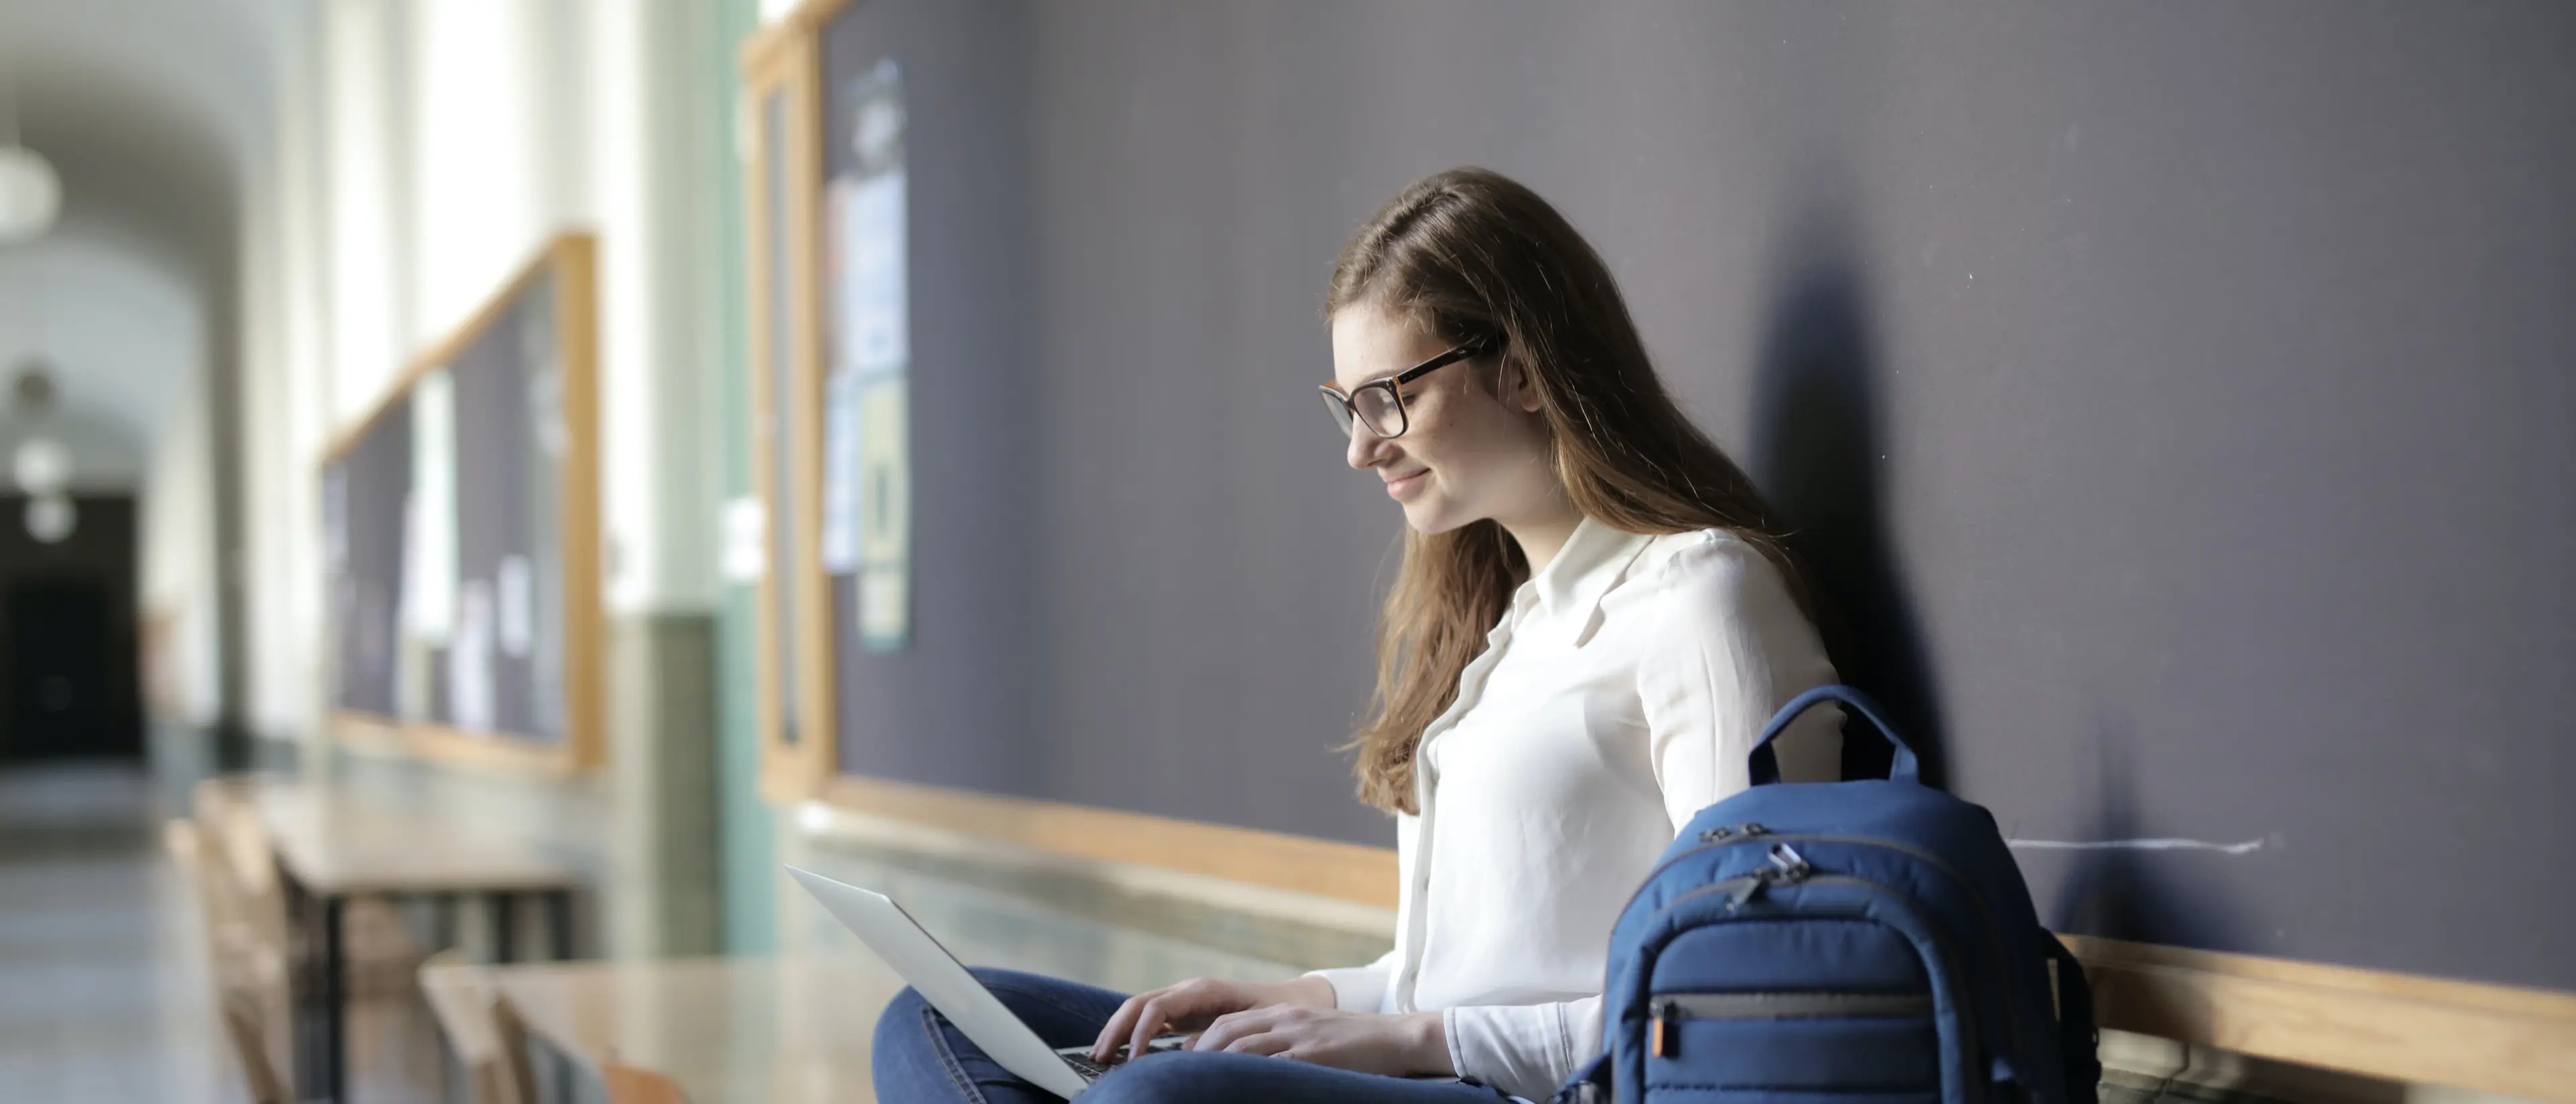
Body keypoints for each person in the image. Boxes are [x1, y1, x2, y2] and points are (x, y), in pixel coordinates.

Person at [869, 166, 1843, 1104]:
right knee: (936, 1020)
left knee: (1162, 1093)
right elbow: (1465, 974)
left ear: (1522, 369)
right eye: (1347, 405)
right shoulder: (1504, 624)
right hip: (1438, 1064)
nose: (1360, 447)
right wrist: (1305, 1002)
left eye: (1391, 397)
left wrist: (1408, 1042)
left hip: (1541, 1090)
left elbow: (1744, 1005)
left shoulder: (1700, 601)